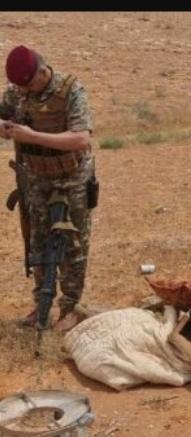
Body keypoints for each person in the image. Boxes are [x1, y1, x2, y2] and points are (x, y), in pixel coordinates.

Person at [0, 45, 96, 331]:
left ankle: (70, 308)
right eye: (20, 87)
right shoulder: (16, 92)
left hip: (72, 176)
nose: (24, 91)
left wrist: (32, 136)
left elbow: (81, 139)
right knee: (37, 240)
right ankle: (41, 304)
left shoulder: (71, 90)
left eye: (29, 84)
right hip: (36, 177)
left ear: (43, 72)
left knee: (73, 244)